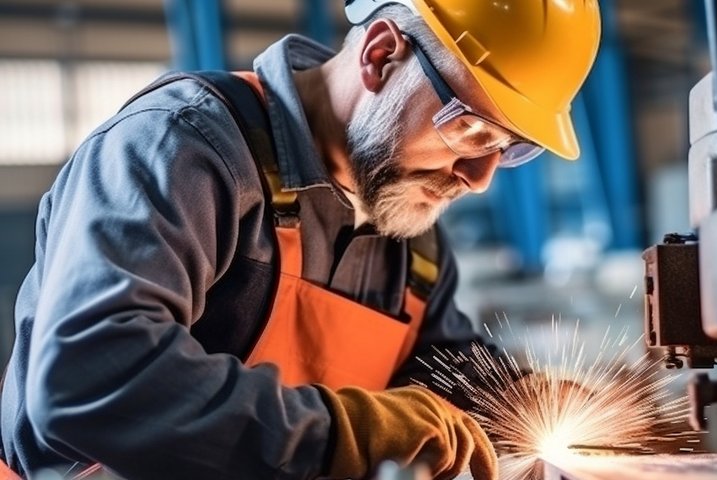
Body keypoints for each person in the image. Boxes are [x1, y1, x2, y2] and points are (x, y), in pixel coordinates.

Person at [0, 0, 601, 478]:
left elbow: (436, 376)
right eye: (470, 129)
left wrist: (519, 400)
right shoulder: (183, 150)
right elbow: (88, 379)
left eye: (508, 149)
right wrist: (343, 433)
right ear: (382, 53)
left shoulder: (408, 232)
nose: (477, 179)